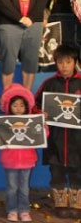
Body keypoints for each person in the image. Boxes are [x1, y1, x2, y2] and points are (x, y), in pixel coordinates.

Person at [35, 44, 81, 218]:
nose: (64, 66)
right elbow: (35, 105)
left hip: (77, 140)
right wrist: (41, 113)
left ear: (75, 62)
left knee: (77, 172)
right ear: (55, 63)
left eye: (68, 62)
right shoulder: (49, 84)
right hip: (55, 138)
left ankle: (77, 202)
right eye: (60, 62)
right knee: (56, 171)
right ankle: (60, 202)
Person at [0, 84, 45, 222]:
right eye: (15, 105)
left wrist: (43, 128)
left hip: (27, 161)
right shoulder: (4, 123)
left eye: (21, 105)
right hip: (10, 161)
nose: (18, 108)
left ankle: (24, 210)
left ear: (26, 106)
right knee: (12, 188)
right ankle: (12, 210)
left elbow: (41, 137)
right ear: (9, 106)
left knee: (24, 188)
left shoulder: (32, 121)